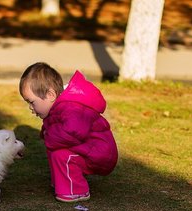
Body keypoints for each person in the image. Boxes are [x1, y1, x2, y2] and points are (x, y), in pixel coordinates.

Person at [19, 62, 118, 202]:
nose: (30, 107)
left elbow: (72, 132)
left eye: (32, 102)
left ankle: (76, 191)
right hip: (89, 149)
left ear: (50, 95)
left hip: (100, 153)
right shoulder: (58, 107)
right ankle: (62, 182)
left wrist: (49, 136)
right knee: (54, 150)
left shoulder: (72, 108)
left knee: (61, 154)